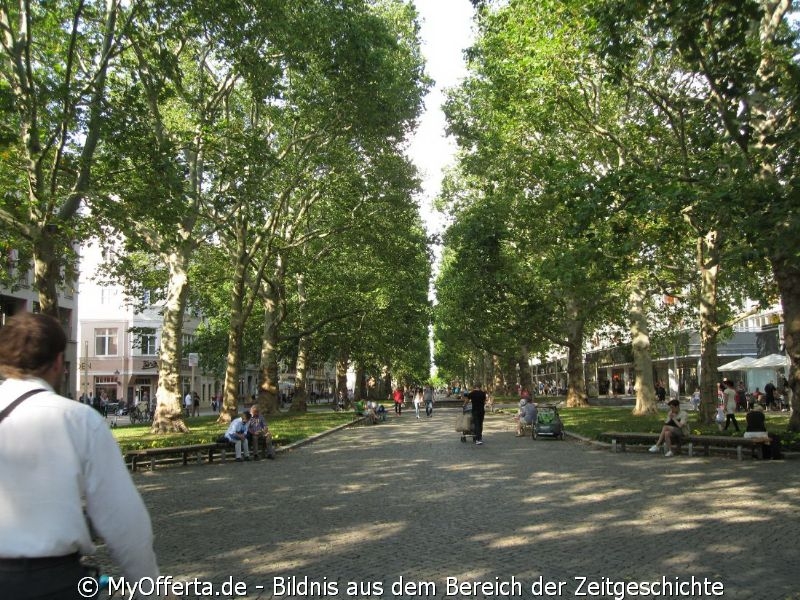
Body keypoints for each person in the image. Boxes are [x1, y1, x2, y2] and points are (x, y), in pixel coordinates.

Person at [0, 313, 161, 599]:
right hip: (54, 583)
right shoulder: (79, 420)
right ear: (59, 362)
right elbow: (123, 520)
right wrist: (149, 588)